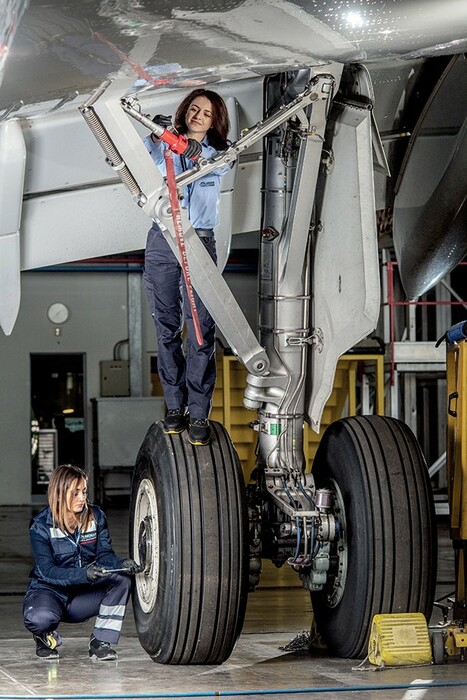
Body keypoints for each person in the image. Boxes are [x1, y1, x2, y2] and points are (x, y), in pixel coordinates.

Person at [143, 88, 232, 446]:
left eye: (206, 113)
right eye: (193, 109)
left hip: (199, 240)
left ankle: (198, 412)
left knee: (200, 332)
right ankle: (175, 407)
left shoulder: (219, 155)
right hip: (163, 239)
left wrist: (193, 151)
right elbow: (144, 150)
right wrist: (157, 132)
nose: (198, 116)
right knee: (167, 328)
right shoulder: (162, 146)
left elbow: (221, 163)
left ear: (215, 122)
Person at [23, 464, 142, 661]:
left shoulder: (96, 516)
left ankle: (100, 641)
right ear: (60, 494)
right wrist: (83, 574)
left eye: (84, 491)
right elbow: (47, 570)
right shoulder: (40, 526)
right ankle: (44, 637)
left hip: (81, 596)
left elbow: (104, 554)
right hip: (50, 591)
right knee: (39, 619)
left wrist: (122, 563)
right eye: (75, 492)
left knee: (122, 580)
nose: (82, 498)